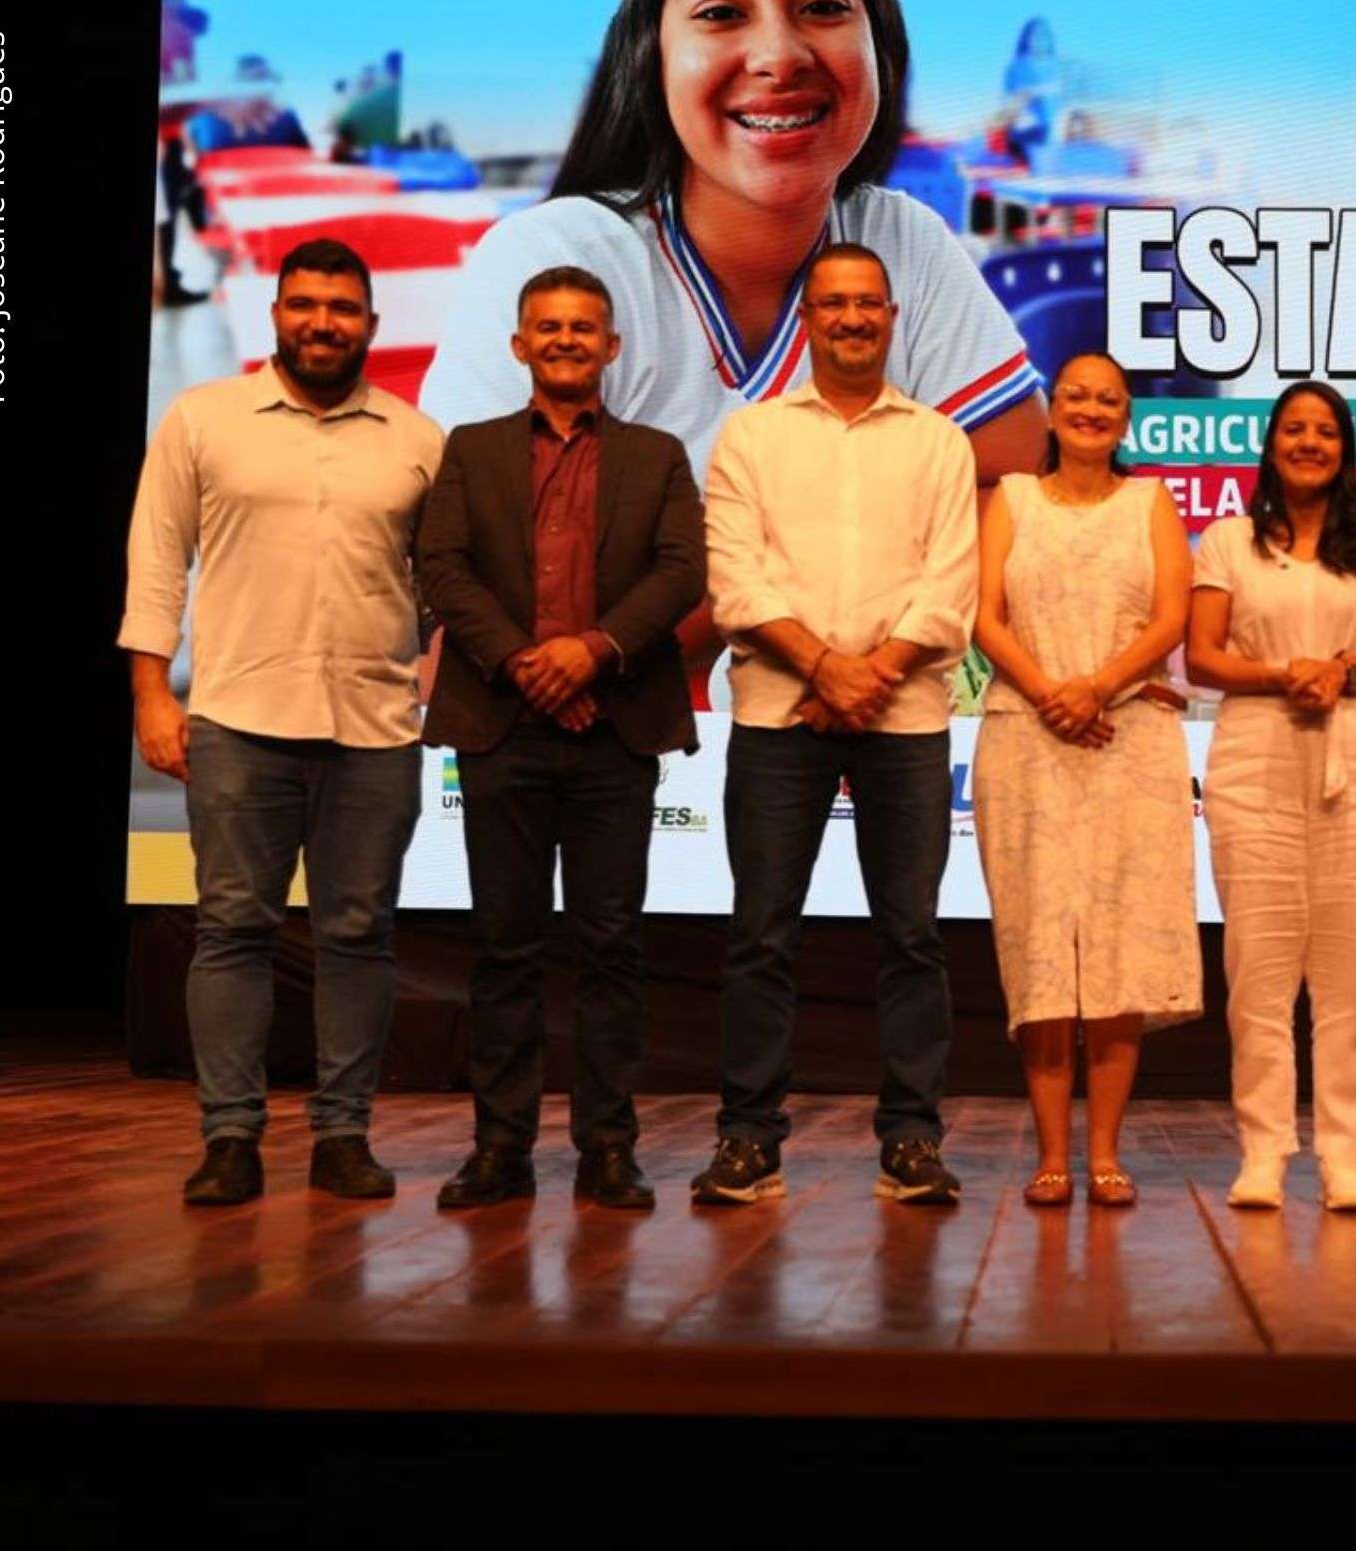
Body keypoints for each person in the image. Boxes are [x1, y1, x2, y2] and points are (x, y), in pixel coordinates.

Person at [417, 0, 1045, 495]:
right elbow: (501, 572)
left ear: (880, 40)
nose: (779, 56)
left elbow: (1014, 488)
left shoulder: (907, 243)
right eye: (720, 12)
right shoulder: (551, 263)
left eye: (825, 6)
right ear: (649, 53)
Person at [121, 238, 442, 1206]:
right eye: (304, 304)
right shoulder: (202, 418)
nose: (322, 322)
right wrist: (150, 696)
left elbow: (438, 588)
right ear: (276, 314)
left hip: (374, 728)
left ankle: (344, 1135)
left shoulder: (416, 439)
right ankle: (230, 1137)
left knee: (358, 935)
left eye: (342, 308)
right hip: (236, 718)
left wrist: (407, 661)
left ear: (370, 326)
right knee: (230, 930)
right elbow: (154, 561)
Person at [416, 266, 707, 1212]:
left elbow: (680, 574)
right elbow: (443, 569)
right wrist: (525, 663)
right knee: (503, 947)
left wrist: (591, 652)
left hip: (615, 728)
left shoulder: (660, 455)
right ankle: (499, 1149)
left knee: (612, 946)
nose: (568, 340)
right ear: (519, 344)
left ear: (612, 346)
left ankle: (608, 1150)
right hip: (502, 725)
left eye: (585, 327)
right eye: (550, 327)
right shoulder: (471, 449)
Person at [696, 242, 978, 1205]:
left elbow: (950, 588)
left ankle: (910, 1139)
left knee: (910, 936)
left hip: (905, 719)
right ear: (807, 320)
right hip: (782, 714)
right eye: (832, 305)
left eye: (867, 305)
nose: (851, 319)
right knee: (762, 936)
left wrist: (873, 675)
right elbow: (738, 582)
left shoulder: (939, 441)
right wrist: (827, 669)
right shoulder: (752, 437)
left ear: (891, 318)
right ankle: (749, 1139)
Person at [971, 352, 1201, 1208]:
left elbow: (1173, 616)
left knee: (1118, 951)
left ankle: (1104, 1149)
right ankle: (1050, 1153)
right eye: (1077, 397)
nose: (1092, 411)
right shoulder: (1014, 503)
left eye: (1108, 399)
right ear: (1052, 411)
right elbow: (984, 615)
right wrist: (1050, 693)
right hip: (1026, 736)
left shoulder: (1152, 504)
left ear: (1125, 415)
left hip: (1128, 736)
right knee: (1041, 949)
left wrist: (1096, 687)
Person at [1186, 381, 1356, 1213]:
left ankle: (1344, 1154)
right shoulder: (1227, 542)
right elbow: (1203, 658)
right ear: (1271, 444)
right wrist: (1286, 675)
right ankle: (1264, 1150)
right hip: (1254, 756)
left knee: (1351, 972)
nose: (1310, 443)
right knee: (1258, 969)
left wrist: (1340, 673)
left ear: (1346, 448)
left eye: (1326, 431)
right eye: (1295, 429)